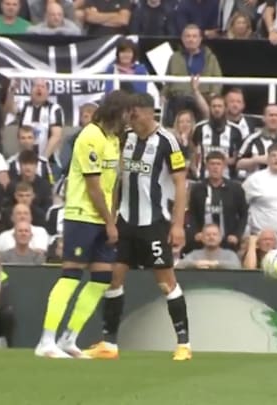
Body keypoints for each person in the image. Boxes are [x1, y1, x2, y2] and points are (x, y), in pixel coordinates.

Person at [83, 93, 192, 361]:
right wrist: (112, 215)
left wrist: (178, 225)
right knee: (113, 278)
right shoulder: (125, 138)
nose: (130, 117)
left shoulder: (168, 142)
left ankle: (184, 344)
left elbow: (181, 184)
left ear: (147, 112)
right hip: (126, 223)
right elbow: (118, 181)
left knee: (166, 283)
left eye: (134, 112)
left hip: (154, 222)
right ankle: (109, 344)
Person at [34, 90, 132, 359]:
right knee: (71, 276)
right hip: (82, 216)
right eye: (126, 113)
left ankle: (69, 337)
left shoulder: (113, 140)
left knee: (101, 279)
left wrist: (111, 218)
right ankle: (46, 340)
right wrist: (110, 223)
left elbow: (113, 185)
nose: (129, 119)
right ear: (116, 110)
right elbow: (93, 186)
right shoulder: (90, 136)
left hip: (102, 219)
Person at [177, 224, 241, 269]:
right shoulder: (195, 254)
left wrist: (215, 264)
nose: (211, 237)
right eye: (208, 235)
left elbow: (236, 266)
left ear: (220, 238)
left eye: (214, 234)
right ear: (202, 238)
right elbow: (180, 265)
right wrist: (196, 264)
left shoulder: (230, 254)